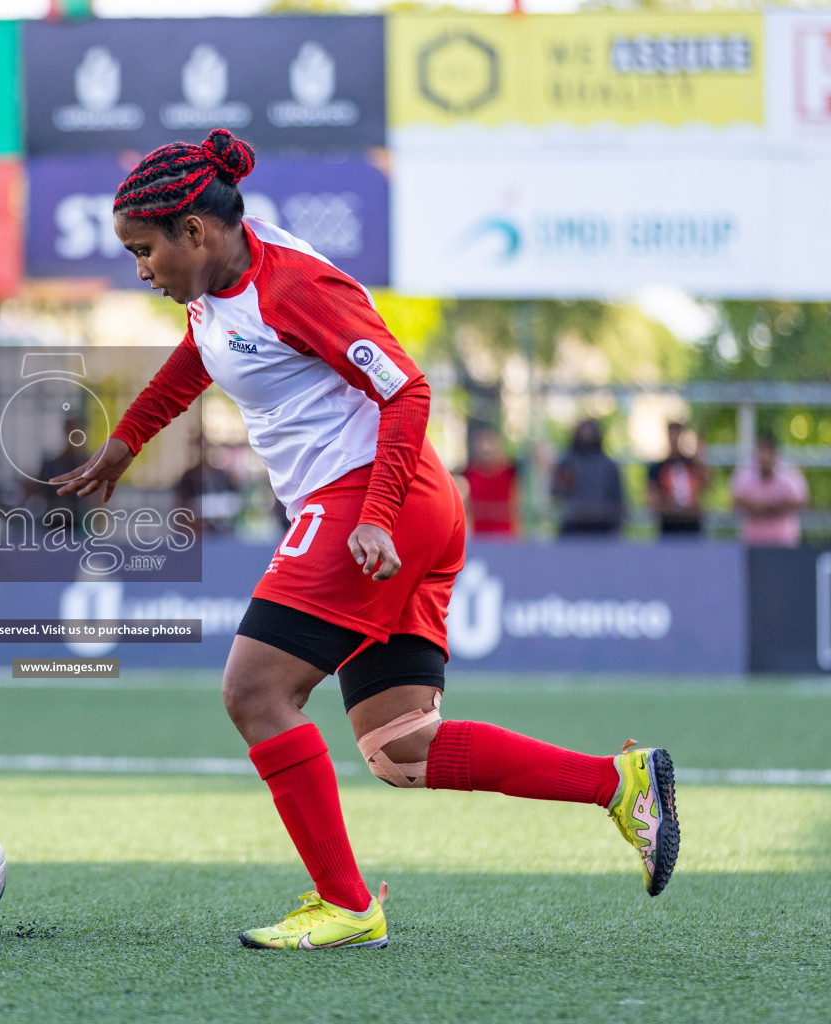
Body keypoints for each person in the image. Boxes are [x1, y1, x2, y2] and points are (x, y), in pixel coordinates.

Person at [55, 129, 679, 952]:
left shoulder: (295, 286)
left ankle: (345, 904)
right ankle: (619, 785)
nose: (141, 269)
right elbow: (203, 355)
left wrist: (377, 513)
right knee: (400, 747)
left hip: (374, 498)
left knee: (254, 692)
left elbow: (407, 389)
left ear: (194, 233)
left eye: (144, 251)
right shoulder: (217, 279)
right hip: (395, 502)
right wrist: (128, 440)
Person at [732, 429, 809, 547]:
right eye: (761, 451)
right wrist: (775, 506)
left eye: (767, 452)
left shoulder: (789, 475)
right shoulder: (744, 474)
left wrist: (763, 507)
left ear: (774, 453)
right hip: (753, 542)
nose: (764, 457)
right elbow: (735, 502)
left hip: (784, 541)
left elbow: (799, 503)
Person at [552, 418, 625, 537]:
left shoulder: (608, 466)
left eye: (591, 432)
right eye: (584, 432)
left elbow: (618, 499)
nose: (587, 436)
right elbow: (555, 494)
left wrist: (617, 525)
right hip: (572, 527)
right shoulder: (567, 463)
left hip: (602, 528)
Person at [647, 421, 708, 537]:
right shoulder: (657, 468)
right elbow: (653, 502)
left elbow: (706, 488)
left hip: (693, 530)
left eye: (678, 434)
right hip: (668, 530)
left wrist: (701, 459)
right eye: (672, 434)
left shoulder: (693, 465)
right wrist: (684, 511)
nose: (675, 439)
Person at [460, 427, 518, 537]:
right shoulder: (470, 473)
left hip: (506, 538)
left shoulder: (510, 471)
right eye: (482, 442)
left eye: (489, 442)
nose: (485, 447)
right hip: (480, 539)